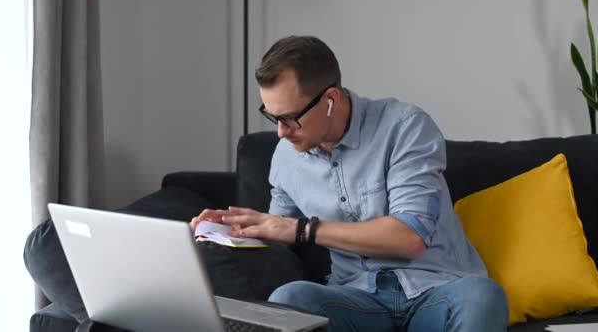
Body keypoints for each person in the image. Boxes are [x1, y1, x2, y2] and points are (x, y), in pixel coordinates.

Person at [191, 35, 508, 331]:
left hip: (435, 291)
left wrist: (304, 229)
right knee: (290, 299)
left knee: (482, 296)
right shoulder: (286, 156)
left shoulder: (404, 127)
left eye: (289, 118)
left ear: (330, 99)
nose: (281, 132)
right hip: (355, 298)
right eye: (272, 117)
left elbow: (409, 237)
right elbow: (280, 235)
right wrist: (230, 230)